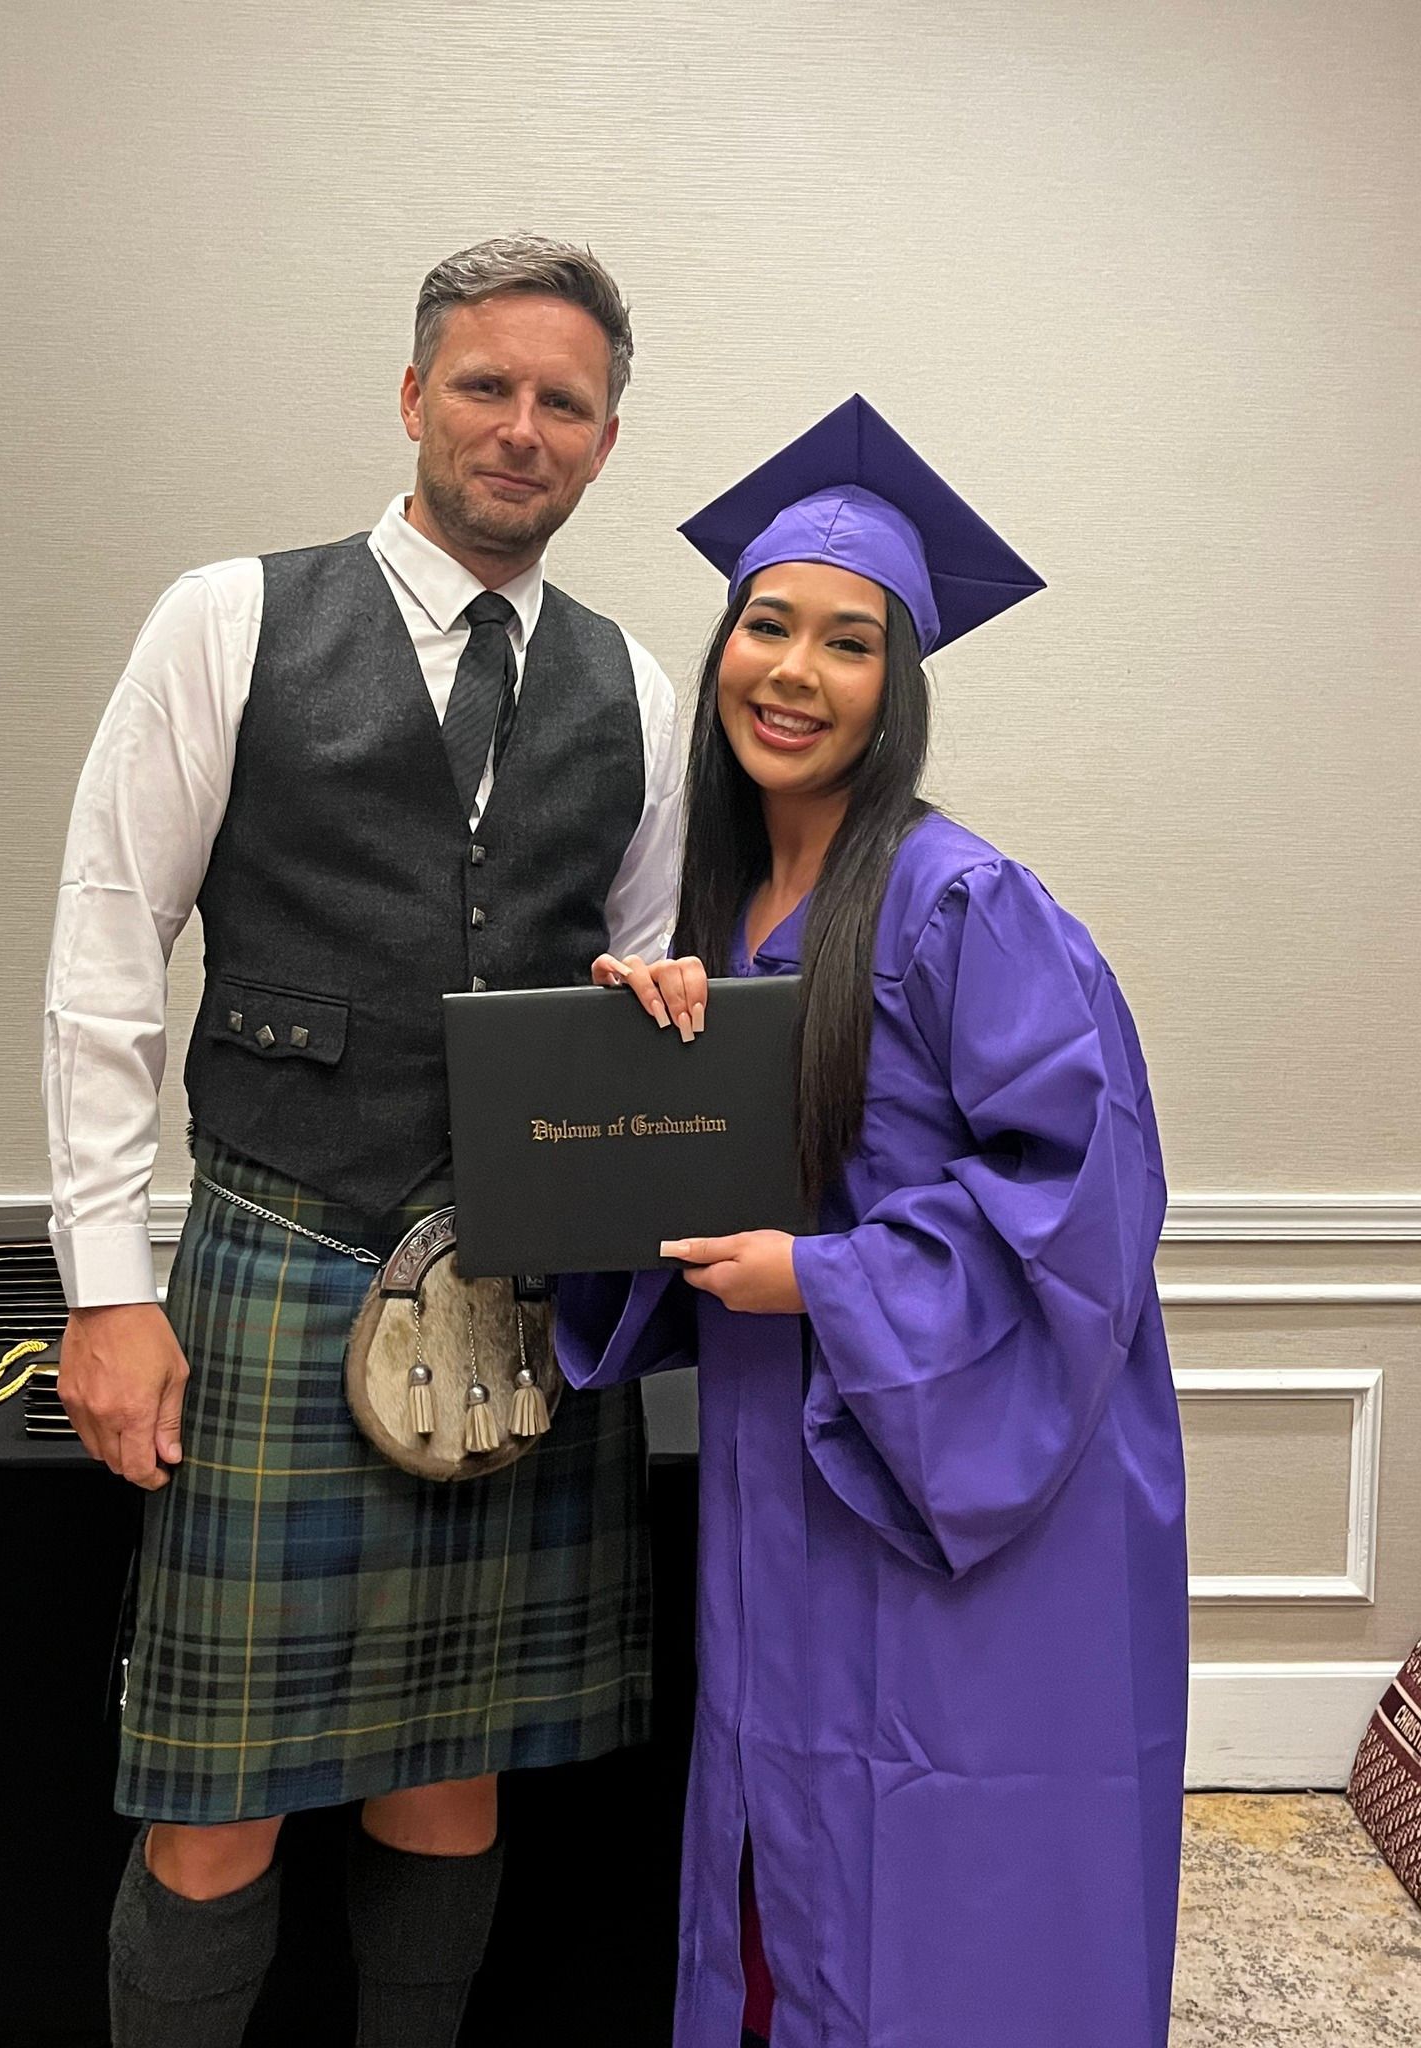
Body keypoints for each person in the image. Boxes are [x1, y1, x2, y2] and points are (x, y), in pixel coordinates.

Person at [42, 232, 683, 2048]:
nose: (521, 426)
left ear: (606, 441)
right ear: (413, 399)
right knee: (212, 1803)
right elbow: (105, 953)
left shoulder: (634, 693)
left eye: (565, 401)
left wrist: (672, 1036)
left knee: (455, 1775)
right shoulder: (227, 617)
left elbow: (631, 987)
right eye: (486, 385)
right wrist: (106, 1287)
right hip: (274, 1256)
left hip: (516, 1297)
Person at [557, 396, 1189, 2048]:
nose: (795, 671)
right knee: (786, 1820)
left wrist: (822, 1281)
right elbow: (677, 1209)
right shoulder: (717, 908)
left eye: (850, 644)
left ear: (895, 691)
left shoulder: (963, 902)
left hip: (953, 1457)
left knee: (949, 1848)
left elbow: (1084, 1201)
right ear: (721, 654)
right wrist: (629, 1072)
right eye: (767, 626)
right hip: (794, 1450)